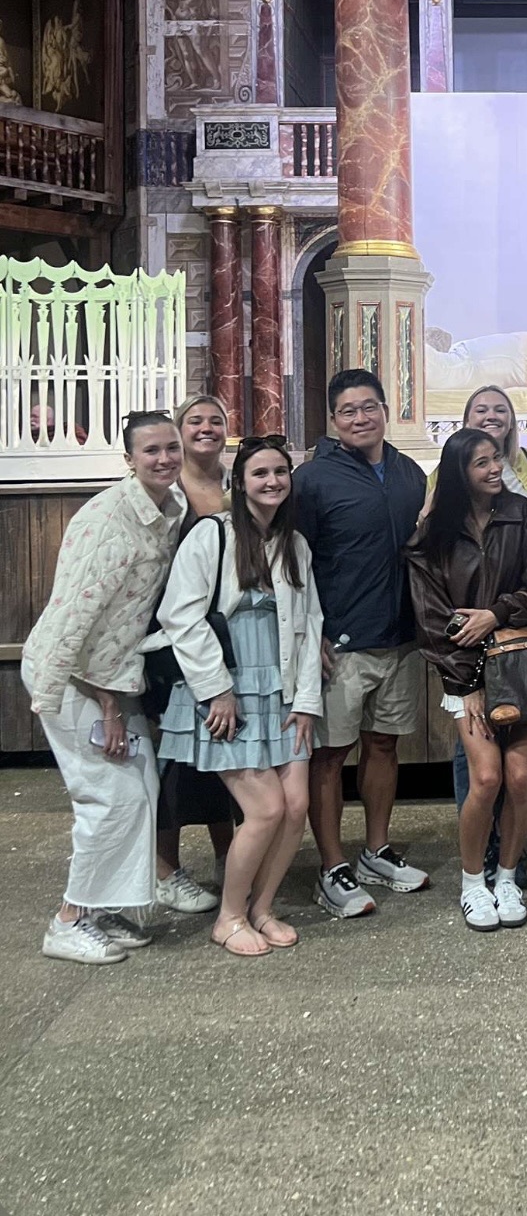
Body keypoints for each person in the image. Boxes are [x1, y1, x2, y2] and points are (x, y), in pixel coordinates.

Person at [22, 410, 185, 964]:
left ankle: (103, 907)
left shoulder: (171, 507)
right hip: (74, 677)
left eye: (171, 447)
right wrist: (109, 707)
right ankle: (67, 921)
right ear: (129, 459)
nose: (164, 459)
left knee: (141, 787)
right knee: (109, 797)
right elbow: (73, 624)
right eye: (151, 451)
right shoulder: (107, 522)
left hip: (116, 676)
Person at [156, 435, 324, 956]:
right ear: (240, 481)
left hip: (282, 691)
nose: (272, 481)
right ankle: (228, 917)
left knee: (297, 806)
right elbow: (180, 616)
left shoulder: (295, 545)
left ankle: (262, 907)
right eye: (260, 473)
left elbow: (311, 625)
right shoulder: (213, 535)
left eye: (280, 472)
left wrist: (306, 702)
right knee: (266, 809)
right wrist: (217, 691)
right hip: (227, 688)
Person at [294, 369, 430, 919]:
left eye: (368, 407)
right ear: (333, 419)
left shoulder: (409, 472)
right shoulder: (312, 480)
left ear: (384, 410)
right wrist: (312, 632)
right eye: (348, 410)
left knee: (383, 746)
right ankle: (332, 865)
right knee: (329, 755)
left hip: (399, 638)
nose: (360, 418)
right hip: (340, 643)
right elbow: (293, 562)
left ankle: (375, 850)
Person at [406, 429, 527, 932]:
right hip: (464, 673)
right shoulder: (433, 531)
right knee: (485, 777)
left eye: (495, 459)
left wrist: (495, 613)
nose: (492, 469)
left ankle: (507, 877)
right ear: (459, 472)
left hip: (521, 662)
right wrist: (470, 682)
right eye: (479, 463)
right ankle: (471, 882)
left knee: (522, 777)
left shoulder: (520, 514)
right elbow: (430, 615)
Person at [151, 393, 237, 916]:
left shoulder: (235, 483)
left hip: (226, 638)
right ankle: (166, 869)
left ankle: (229, 853)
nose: (206, 428)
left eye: (216, 420)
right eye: (195, 421)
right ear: (180, 431)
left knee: (221, 751)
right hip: (171, 637)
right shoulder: (167, 489)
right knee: (176, 759)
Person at [460, 384, 527, 496]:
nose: (491, 416)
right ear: (467, 422)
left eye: (500, 410)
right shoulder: (449, 466)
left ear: (512, 422)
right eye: (481, 411)